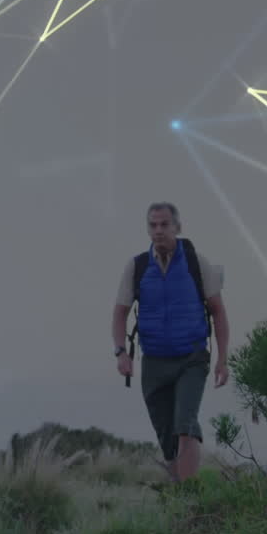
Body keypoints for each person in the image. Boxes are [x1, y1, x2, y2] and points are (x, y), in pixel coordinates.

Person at [110, 202, 229, 484]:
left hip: (192, 357)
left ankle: (189, 497)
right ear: (147, 229)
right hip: (154, 361)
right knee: (167, 437)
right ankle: (180, 494)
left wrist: (222, 359)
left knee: (184, 425)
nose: (159, 230)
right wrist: (121, 353)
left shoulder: (196, 262)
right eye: (153, 225)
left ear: (177, 227)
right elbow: (119, 314)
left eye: (165, 225)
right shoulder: (137, 266)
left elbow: (218, 312)